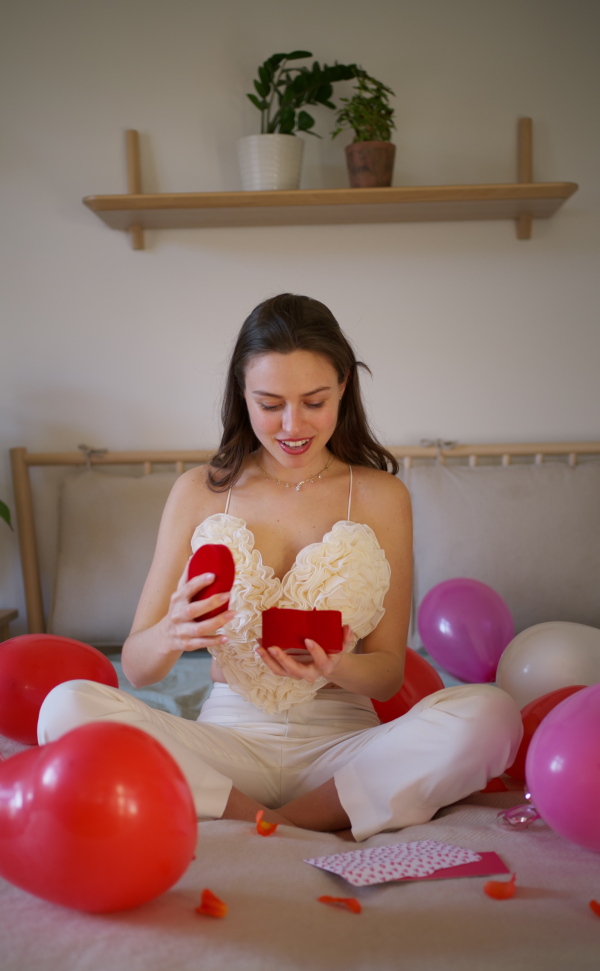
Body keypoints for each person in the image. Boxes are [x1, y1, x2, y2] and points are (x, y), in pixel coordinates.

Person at [38, 294, 522, 841]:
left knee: (492, 714)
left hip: (343, 749)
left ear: (343, 385)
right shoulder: (198, 491)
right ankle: (273, 820)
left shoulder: (382, 496)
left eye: (314, 401)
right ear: (241, 395)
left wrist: (334, 666)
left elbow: (387, 674)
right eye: (270, 403)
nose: (293, 425)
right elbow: (140, 667)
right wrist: (173, 631)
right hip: (228, 745)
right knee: (66, 705)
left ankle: (287, 824)